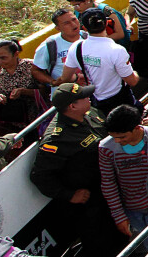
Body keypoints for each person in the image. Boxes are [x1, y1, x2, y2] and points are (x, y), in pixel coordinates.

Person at [30, 83, 123, 256]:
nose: (89, 97)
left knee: (120, 234)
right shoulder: (56, 139)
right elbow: (40, 176)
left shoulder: (91, 113)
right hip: (89, 203)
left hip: (110, 187)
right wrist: (69, 195)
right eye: (83, 97)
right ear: (72, 106)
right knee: (100, 244)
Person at [99, 105, 148, 249]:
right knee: (146, 245)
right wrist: (119, 216)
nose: (117, 141)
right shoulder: (105, 148)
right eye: (113, 136)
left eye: (122, 137)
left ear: (136, 128)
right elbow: (108, 182)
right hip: (130, 209)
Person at [60, 8, 140, 115]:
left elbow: (65, 78)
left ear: (84, 28)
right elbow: (132, 81)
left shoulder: (76, 47)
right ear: (107, 23)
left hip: (95, 101)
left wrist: (77, 78)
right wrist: (135, 74)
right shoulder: (116, 50)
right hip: (120, 102)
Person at [0, 39, 39, 128]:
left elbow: (45, 91)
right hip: (12, 122)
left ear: (15, 54)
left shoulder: (31, 66)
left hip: (37, 119)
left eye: (3, 58)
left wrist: (23, 91)